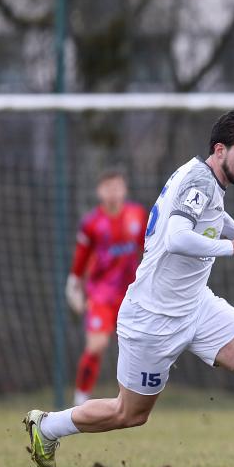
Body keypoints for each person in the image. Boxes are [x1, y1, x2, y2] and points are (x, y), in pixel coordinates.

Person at [24, 110, 234, 467]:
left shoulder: (206, 177)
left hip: (197, 306)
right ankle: (47, 427)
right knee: (130, 414)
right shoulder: (199, 180)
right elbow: (177, 238)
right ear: (220, 150)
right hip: (152, 319)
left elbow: (212, 214)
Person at [65, 170, 147, 406]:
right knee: (97, 345)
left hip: (131, 293)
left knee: (138, 347)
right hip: (101, 294)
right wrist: (73, 284)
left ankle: (133, 400)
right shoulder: (91, 223)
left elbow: (148, 248)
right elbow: (81, 257)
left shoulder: (137, 214)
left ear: (125, 190)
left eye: (117, 187)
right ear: (99, 192)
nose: (113, 192)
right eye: (108, 188)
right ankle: (80, 401)